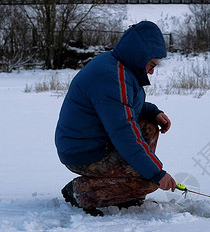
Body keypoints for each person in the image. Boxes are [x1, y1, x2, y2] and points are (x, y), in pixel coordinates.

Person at [55, 21, 176, 216]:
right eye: (151, 65)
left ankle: (126, 189)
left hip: (95, 142)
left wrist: (153, 112)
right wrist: (156, 173)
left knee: (149, 127)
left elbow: (124, 107)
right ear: (140, 55)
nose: (152, 71)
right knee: (148, 181)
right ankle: (82, 191)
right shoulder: (112, 76)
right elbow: (124, 132)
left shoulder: (118, 66)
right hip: (83, 152)